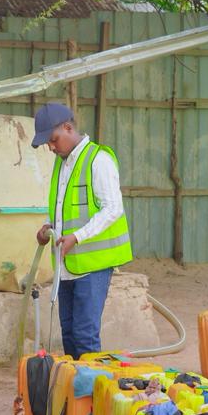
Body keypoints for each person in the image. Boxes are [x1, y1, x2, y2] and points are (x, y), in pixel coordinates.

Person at [32, 102, 132, 359]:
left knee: (85, 335)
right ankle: (75, 383)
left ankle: (89, 385)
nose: (51, 147)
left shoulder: (98, 160)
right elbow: (61, 206)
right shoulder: (62, 163)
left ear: (68, 128)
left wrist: (77, 237)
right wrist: (49, 227)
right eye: (48, 143)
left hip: (93, 265)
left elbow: (113, 208)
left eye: (53, 140)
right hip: (67, 265)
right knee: (69, 334)